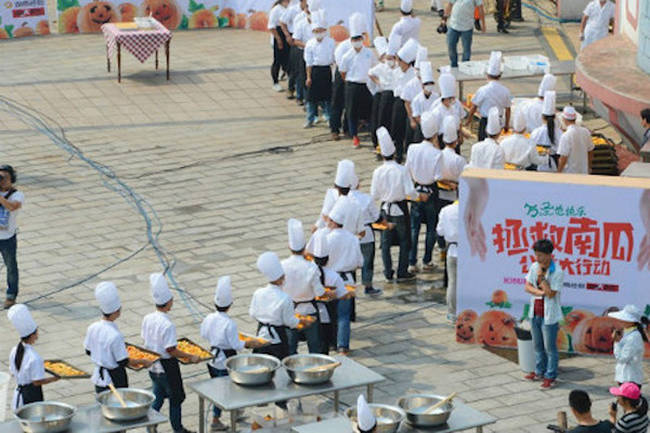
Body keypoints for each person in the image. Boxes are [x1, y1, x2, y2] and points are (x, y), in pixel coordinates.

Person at [201, 276, 262, 431]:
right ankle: (216, 419)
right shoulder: (229, 323)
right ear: (230, 305)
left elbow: (204, 334)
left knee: (219, 389)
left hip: (212, 358)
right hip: (225, 361)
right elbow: (236, 344)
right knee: (227, 391)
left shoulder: (209, 318)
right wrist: (250, 343)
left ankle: (236, 411)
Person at [142, 273, 199, 433]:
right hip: (167, 367)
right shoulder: (167, 324)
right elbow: (170, 350)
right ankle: (178, 429)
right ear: (168, 302)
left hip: (152, 366)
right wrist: (190, 356)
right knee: (176, 398)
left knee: (158, 396)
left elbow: (145, 340)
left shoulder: (147, 318)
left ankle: (150, 428)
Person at [372, 127, 424, 283]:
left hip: (385, 209)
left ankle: (388, 271)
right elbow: (410, 190)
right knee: (404, 241)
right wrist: (418, 197)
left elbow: (374, 195)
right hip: (400, 209)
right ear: (394, 154)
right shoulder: (401, 170)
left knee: (385, 244)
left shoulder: (377, 172)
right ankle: (402, 271)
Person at [85, 281, 151, 394]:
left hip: (99, 378)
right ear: (117, 311)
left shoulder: (93, 327)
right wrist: (143, 361)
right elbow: (123, 361)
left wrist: (103, 356)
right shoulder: (115, 336)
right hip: (114, 379)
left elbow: (88, 350)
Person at [282, 218, 335, 354]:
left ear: (289, 247)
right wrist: (330, 294)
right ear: (305, 247)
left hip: (290, 311)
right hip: (309, 311)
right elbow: (319, 292)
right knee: (314, 346)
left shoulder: (282, 266)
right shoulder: (311, 267)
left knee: (290, 348)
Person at [524, 239, 564, 389]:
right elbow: (527, 287)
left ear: (549, 255)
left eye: (540, 255)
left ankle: (550, 375)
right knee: (537, 344)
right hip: (535, 311)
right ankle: (539, 370)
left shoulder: (558, 271)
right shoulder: (534, 266)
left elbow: (551, 294)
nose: (537, 258)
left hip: (550, 314)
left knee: (550, 347)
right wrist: (540, 293)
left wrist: (541, 278)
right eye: (536, 254)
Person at [405, 111, 442, 273]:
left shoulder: (412, 148)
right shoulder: (436, 154)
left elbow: (407, 169)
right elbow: (438, 176)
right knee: (431, 227)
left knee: (414, 228)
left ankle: (411, 261)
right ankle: (427, 259)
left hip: (416, 188)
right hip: (431, 190)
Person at [326, 199, 363, 355]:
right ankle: (343, 346)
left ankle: (331, 343)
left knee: (330, 314)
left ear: (334, 222)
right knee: (344, 315)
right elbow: (359, 262)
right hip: (347, 279)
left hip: (330, 279)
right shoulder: (353, 239)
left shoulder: (326, 238)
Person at [7, 304, 59, 410]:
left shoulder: (14, 350)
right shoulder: (34, 358)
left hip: (18, 394)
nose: (37, 335)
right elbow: (37, 382)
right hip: (31, 396)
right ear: (32, 335)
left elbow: (13, 372)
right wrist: (54, 378)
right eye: (36, 332)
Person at [308, 228, 351, 354]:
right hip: (327, 312)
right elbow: (342, 294)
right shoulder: (334, 276)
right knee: (325, 339)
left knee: (314, 340)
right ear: (328, 259)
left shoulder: (309, 272)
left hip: (311, 311)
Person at [340, 14, 377, 148]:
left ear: (362, 39)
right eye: (354, 39)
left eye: (358, 38)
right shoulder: (347, 56)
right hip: (352, 85)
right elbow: (342, 72)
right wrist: (349, 83)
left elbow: (374, 67)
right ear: (351, 40)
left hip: (366, 85)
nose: (357, 41)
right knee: (352, 111)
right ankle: (354, 136)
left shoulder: (369, 53)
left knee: (370, 110)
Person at [465, 51, 511, 142]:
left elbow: (474, 107)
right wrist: (506, 125)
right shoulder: (505, 90)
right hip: (499, 121)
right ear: (500, 76)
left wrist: (468, 120)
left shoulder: (483, 90)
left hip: (485, 122)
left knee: (483, 144)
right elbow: (508, 109)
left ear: (487, 75)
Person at [349, 174, 382, 296]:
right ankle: (368, 286)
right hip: (366, 233)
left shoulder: (342, 200)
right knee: (367, 261)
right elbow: (376, 216)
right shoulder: (366, 198)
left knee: (350, 262)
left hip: (349, 235)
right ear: (358, 185)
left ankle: (350, 287)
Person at [304, 9, 334, 128]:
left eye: (320, 31)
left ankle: (328, 116)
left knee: (327, 97)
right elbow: (308, 62)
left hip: (326, 70)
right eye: (316, 31)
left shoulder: (330, 42)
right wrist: (308, 77)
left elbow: (333, 59)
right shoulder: (310, 44)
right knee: (312, 98)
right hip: (315, 71)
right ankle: (310, 118)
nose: (318, 33)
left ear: (324, 31)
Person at [390, 38, 419, 162]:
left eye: (400, 60)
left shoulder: (413, 74)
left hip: (410, 104)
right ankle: (398, 151)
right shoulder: (397, 72)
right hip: (398, 103)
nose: (398, 63)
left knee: (407, 131)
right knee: (397, 128)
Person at [0, 165, 24, 309]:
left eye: (4, 178)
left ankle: (11, 294)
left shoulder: (17, 194)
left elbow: (12, 207)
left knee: (11, 266)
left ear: (11, 180)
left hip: (7, 238)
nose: (1, 181)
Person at [608, 305, 648, 389]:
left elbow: (622, 358)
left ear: (630, 322)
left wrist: (616, 342)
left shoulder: (634, 337)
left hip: (630, 379)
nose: (620, 320)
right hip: (625, 377)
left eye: (623, 318)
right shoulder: (627, 332)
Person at [329, 17, 353, 141]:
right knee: (337, 103)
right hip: (341, 75)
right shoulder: (343, 47)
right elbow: (340, 64)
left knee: (350, 105)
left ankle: (348, 128)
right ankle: (334, 129)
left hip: (353, 77)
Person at [431, 70, 466, 154]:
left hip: (455, 138)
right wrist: (437, 148)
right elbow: (434, 132)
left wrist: (460, 135)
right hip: (442, 139)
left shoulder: (453, 108)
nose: (453, 100)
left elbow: (459, 122)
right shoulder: (437, 112)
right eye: (451, 98)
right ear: (445, 98)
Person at [443, 0, 486, 68]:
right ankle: (453, 65)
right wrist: (444, 20)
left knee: (466, 50)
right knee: (451, 45)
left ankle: (465, 67)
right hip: (454, 25)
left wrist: (483, 24)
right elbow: (450, 5)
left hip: (467, 27)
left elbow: (481, 9)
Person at [436, 199, 458, 323]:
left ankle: (452, 312)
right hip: (470, 252)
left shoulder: (446, 210)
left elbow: (440, 231)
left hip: (453, 250)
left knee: (453, 283)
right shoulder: (473, 208)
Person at [530, 90, 562, 172]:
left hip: (539, 165)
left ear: (542, 117)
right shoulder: (559, 133)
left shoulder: (536, 132)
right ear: (555, 117)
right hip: (555, 166)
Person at [557, 106, 594, 174]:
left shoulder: (566, 136)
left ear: (563, 119)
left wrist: (558, 172)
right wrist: (589, 167)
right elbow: (590, 151)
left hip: (570, 174)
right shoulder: (585, 132)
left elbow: (563, 158)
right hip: (583, 172)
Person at [289, 0, 312, 107]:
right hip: (301, 50)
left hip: (313, 53)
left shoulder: (319, 19)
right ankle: (299, 96)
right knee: (300, 75)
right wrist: (308, 46)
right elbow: (296, 39)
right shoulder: (299, 19)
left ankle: (310, 99)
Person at [409, 61, 439, 144]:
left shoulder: (437, 97)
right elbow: (416, 115)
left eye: (431, 83)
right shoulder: (416, 99)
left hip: (435, 126)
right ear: (422, 86)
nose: (429, 86)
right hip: (422, 126)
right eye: (427, 84)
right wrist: (426, 125)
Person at [279, 0, 302, 100]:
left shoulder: (313, 10)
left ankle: (302, 93)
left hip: (306, 40)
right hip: (294, 38)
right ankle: (291, 88)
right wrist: (287, 35)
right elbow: (282, 22)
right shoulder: (293, 10)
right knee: (294, 66)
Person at [268, 0, 291, 92]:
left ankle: (289, 78)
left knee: (288, 59)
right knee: (277, 60)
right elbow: (271, 27)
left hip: (288, 34)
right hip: (279, 34)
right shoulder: (276, 10)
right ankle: (275, 82)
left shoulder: (290, 7)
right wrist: (278, 39)